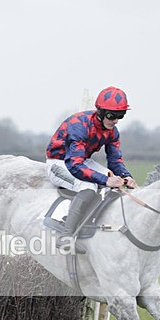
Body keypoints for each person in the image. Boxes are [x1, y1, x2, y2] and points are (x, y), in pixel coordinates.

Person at [45, 86, 138, 254]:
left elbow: (115, 160)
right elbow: (74, 165)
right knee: (88, 187)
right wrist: (105, 180)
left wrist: (125, 176)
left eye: (120, 116)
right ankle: (66, 236)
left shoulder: (112, 132)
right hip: (59, 162)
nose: (115, 121)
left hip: (81, 160)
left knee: (113, 180)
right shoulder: (79, 126)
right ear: (100, 112)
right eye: (112, 115)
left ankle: (92, 226)